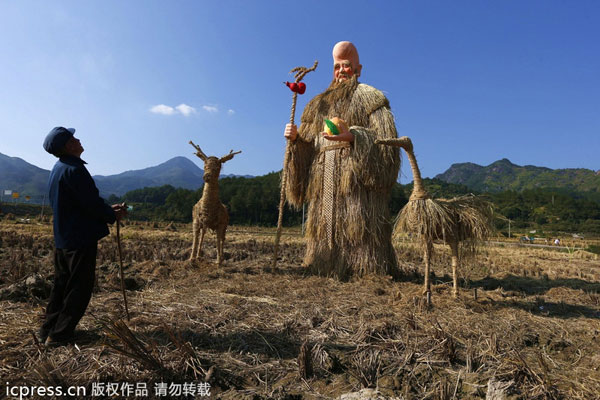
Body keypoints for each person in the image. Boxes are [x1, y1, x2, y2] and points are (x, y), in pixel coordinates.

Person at [284, 41, 400, 280]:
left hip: (356, 182)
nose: (342, 71)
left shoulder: (371, 98)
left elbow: (386, 143)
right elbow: (308, 144)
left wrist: (355, 137)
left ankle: (364, 268)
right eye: (337, 66)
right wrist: (296, 140)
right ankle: (323, 263)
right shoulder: (318, 105)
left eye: (347, 66)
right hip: (323, 177)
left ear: (358, 68)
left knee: (357, 223)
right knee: (324, 224)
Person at [40, 126, 127, 346]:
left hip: (64, 238)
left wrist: (108, 210)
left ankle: (48, 329)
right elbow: (90, 204)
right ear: (68, 145)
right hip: (80, 239)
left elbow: (81, 203)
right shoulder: (76, 170)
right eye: (74, 138)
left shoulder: (58, 168)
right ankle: (60, 335)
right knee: (79, 287)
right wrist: (111, 214)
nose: (78, 140)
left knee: (62, 285)